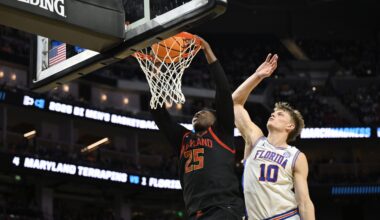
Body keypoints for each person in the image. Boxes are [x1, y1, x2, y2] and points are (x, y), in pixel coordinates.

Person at [151, 37, 245, 219]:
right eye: (196, 113)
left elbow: (224, 92)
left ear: (216, 118)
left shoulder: (222, 132)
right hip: (196, 212)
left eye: (204, 112)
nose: (197, 114)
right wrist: (156, 73)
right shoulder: (184, 139)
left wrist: (208, 50)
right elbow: (158, 113)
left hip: (224, 208)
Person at [232, 54, 315, 220]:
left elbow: (304, 202)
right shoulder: (255, 140)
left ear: (289, 126)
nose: (273, 115)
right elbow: (233, 103)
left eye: (280, 114)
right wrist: (257, 76)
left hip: (285, 216)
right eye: (273, 112)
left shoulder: (296, 156)